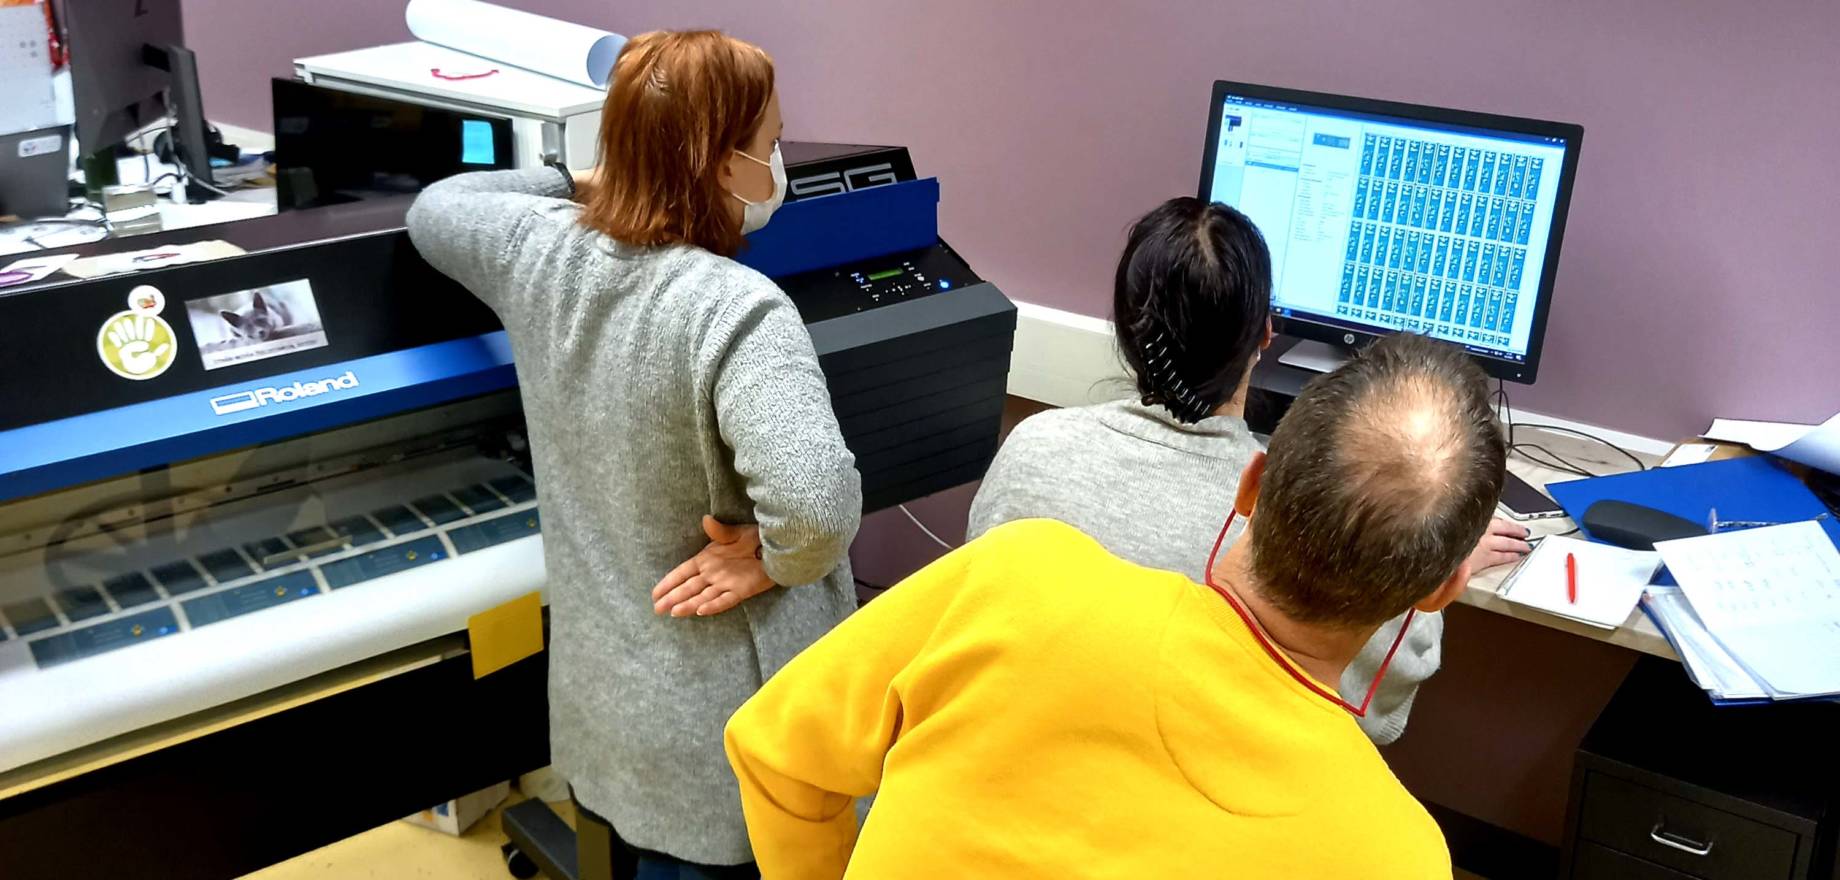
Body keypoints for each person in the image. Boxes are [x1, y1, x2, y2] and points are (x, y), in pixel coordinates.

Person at [724, 332, 1507, 878]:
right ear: (1439, 592)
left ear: (1252, 486)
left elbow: (773, 751)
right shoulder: (1394, 854)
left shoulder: (1016, 576)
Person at [407, 31, 859, 876]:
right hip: (726, 726)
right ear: (725, 168)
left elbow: (435, 209)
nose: (778, 162)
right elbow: (815, 506)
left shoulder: (538, 252)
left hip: (607, 701)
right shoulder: (739, 309)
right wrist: (776, 562)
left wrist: (583, 181)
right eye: (769, 144)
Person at [967, 197, 1529, 743]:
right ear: (1266, 332)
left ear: (1125, 329)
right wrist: (1435, 549)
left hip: (1019, 761)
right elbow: (1370, 705)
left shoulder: (1031, 445)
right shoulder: (1297, 517)